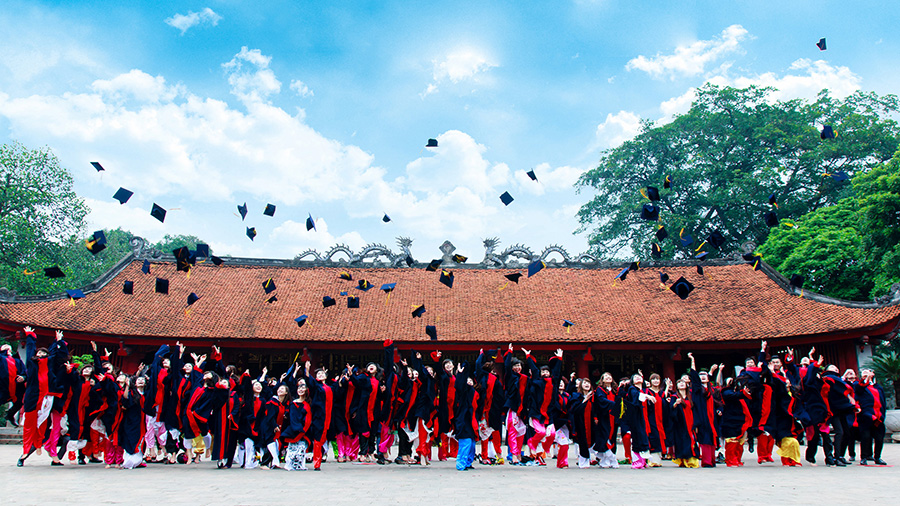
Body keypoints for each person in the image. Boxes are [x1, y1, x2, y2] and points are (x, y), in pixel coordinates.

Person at [854, 369, 887, 466]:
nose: (866, 374)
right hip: (866, 416)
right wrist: (867, 378)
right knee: (865, 437)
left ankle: (877, 457)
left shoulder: (878, 387)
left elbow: (883, 402)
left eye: (868, 372)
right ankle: (864, 457)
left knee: (879, 438)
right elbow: (860, 389)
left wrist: (882, 415)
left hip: (878, 416)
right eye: (864, 373)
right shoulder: (859, 386)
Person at [452, 361, 479, 471]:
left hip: (472, 421)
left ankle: (468, 462)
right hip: (463, 420)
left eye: (470, 380)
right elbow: (459, 386)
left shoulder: (475, 393)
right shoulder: (462, 393)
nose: (469, 382)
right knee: (466, 442)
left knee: (472, 444)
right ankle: (460, 464)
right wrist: (460, 374)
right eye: (466, 380)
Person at [668, 378, 700, 468]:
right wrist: (675, 405)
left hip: (691, 423)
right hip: (680, 425)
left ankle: (692, 461)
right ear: (676, 386)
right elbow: (670, 412)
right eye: (679, 383)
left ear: (687, 385)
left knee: (692, 441)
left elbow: (696, 410)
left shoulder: (691, 397)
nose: (681, 384)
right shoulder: (674, 397)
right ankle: (683, 460)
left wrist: (696, 424)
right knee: (682, 442)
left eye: (683, 382)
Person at [282, 378, 312, 471]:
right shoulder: (293, 403)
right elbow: (291, 416)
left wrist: (303, 429)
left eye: (303, 389)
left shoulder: (307, 404)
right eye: (299, 388)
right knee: (292, 449)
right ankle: (290, 465)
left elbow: (308, 419)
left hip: (303, 429)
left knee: (301, 449)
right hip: (293, 428)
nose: (301, 390)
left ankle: (299, 465)